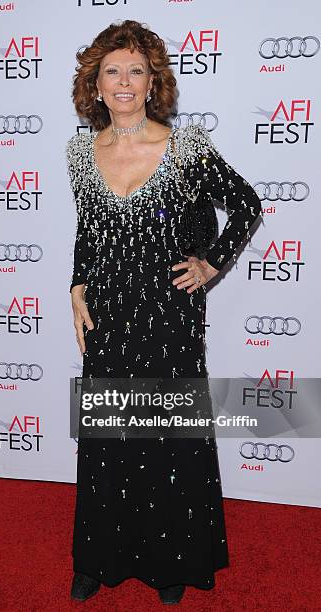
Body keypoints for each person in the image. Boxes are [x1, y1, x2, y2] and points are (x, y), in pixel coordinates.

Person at [65, 19, 262, 605]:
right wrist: (76, 285)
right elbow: (89, 230)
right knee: (106, 438)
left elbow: (246, 203)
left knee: (165, 440)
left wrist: (211, 264)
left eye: (136, 71)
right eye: (112, 71)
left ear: (153, 83)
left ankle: (171, 563)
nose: (123, 82)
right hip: (106, 316)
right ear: (95, 85)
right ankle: (97, 559)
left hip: (168, 316)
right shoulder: (80, 151)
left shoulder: (186, 148)